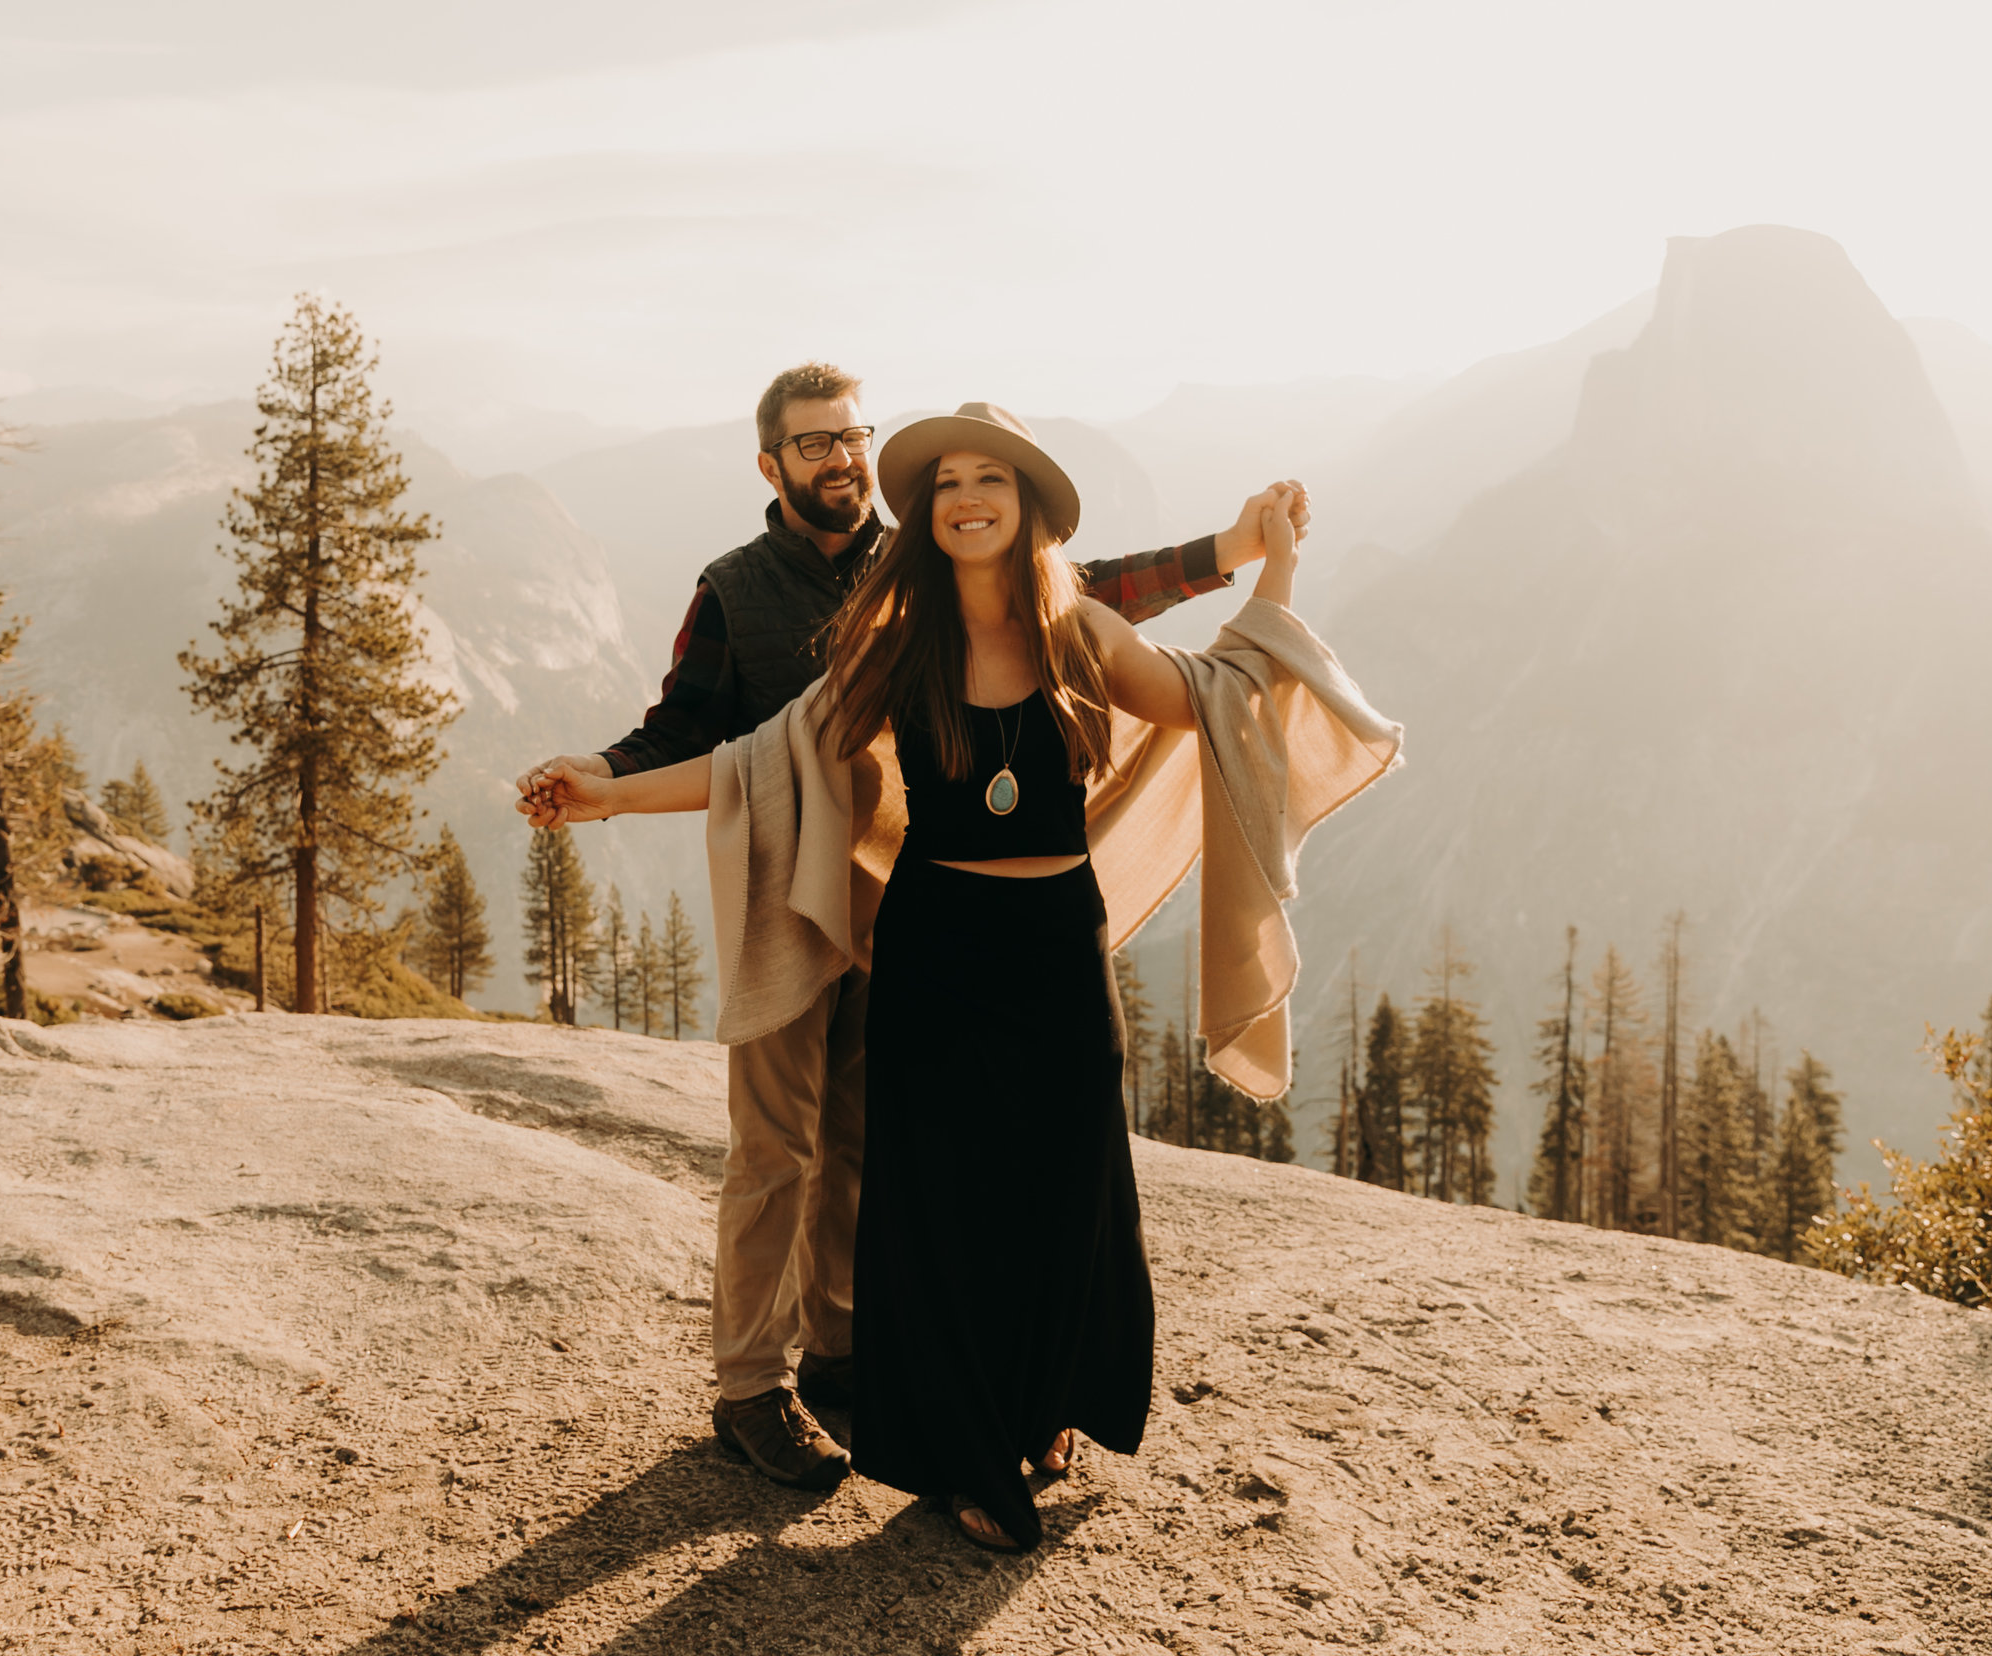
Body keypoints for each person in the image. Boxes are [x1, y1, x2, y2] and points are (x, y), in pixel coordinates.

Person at [520, 403, 1400, 1553]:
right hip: (938, 946)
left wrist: (1267, 569)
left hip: (1055, 945)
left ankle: (1037, 1408)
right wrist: (605, 791)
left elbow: (1213, 697)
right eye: (945, 484)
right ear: (926, 513)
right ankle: (960, 1459)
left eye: (992, 478)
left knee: (1060, 1186)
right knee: (941, 1206)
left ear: (1025, 504)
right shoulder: (889, 642)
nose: (967, 497)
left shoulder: (1074, 627)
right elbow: (754, 760)